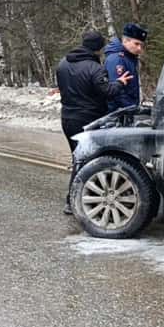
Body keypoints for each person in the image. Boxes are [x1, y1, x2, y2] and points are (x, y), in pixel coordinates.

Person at [56, 30, 132, 214]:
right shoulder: (94, 68)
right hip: (88, 119)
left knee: (78, 158)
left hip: (67, 118)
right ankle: (74, 201)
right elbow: (107, 92)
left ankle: (79, 198)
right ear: (99, 48)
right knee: (86, 161)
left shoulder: (63, 63)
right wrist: (120, 82)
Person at [104, 23, 148, 112]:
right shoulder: (117, 59)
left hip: (126, 110)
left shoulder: (129, 58)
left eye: (141, 45)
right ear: (126, 41)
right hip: (118, 112)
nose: (139, 48)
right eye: (136, 44)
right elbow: (116, 91)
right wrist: (131, 108)